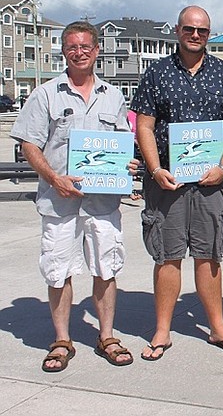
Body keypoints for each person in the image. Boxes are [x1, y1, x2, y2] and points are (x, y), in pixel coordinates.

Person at [11, 21, 136, 371]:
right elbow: (29, 144)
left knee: (106, 268)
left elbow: (122, 144)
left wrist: (129, 166)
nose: (79, 52)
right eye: (72, 47)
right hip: (60, 200)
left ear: (96, 51)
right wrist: (53, 177)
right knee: (58, 271)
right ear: (63, 51)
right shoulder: (46, 94)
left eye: (85, 46)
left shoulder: (113, 95)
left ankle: (107, 336)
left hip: (102, 202)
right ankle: (62, 340)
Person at [130, 5, 223, 360]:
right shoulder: (157, 73)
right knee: (167, 256)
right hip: (168, 181)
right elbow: (145, 126)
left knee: (210, 253)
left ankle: (217, 327)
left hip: (211, 181)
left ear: (209, 35)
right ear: (178, 30)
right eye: (189, 29)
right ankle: (162, 329)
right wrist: (154, 169)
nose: (195, 35)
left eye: (202, 31)